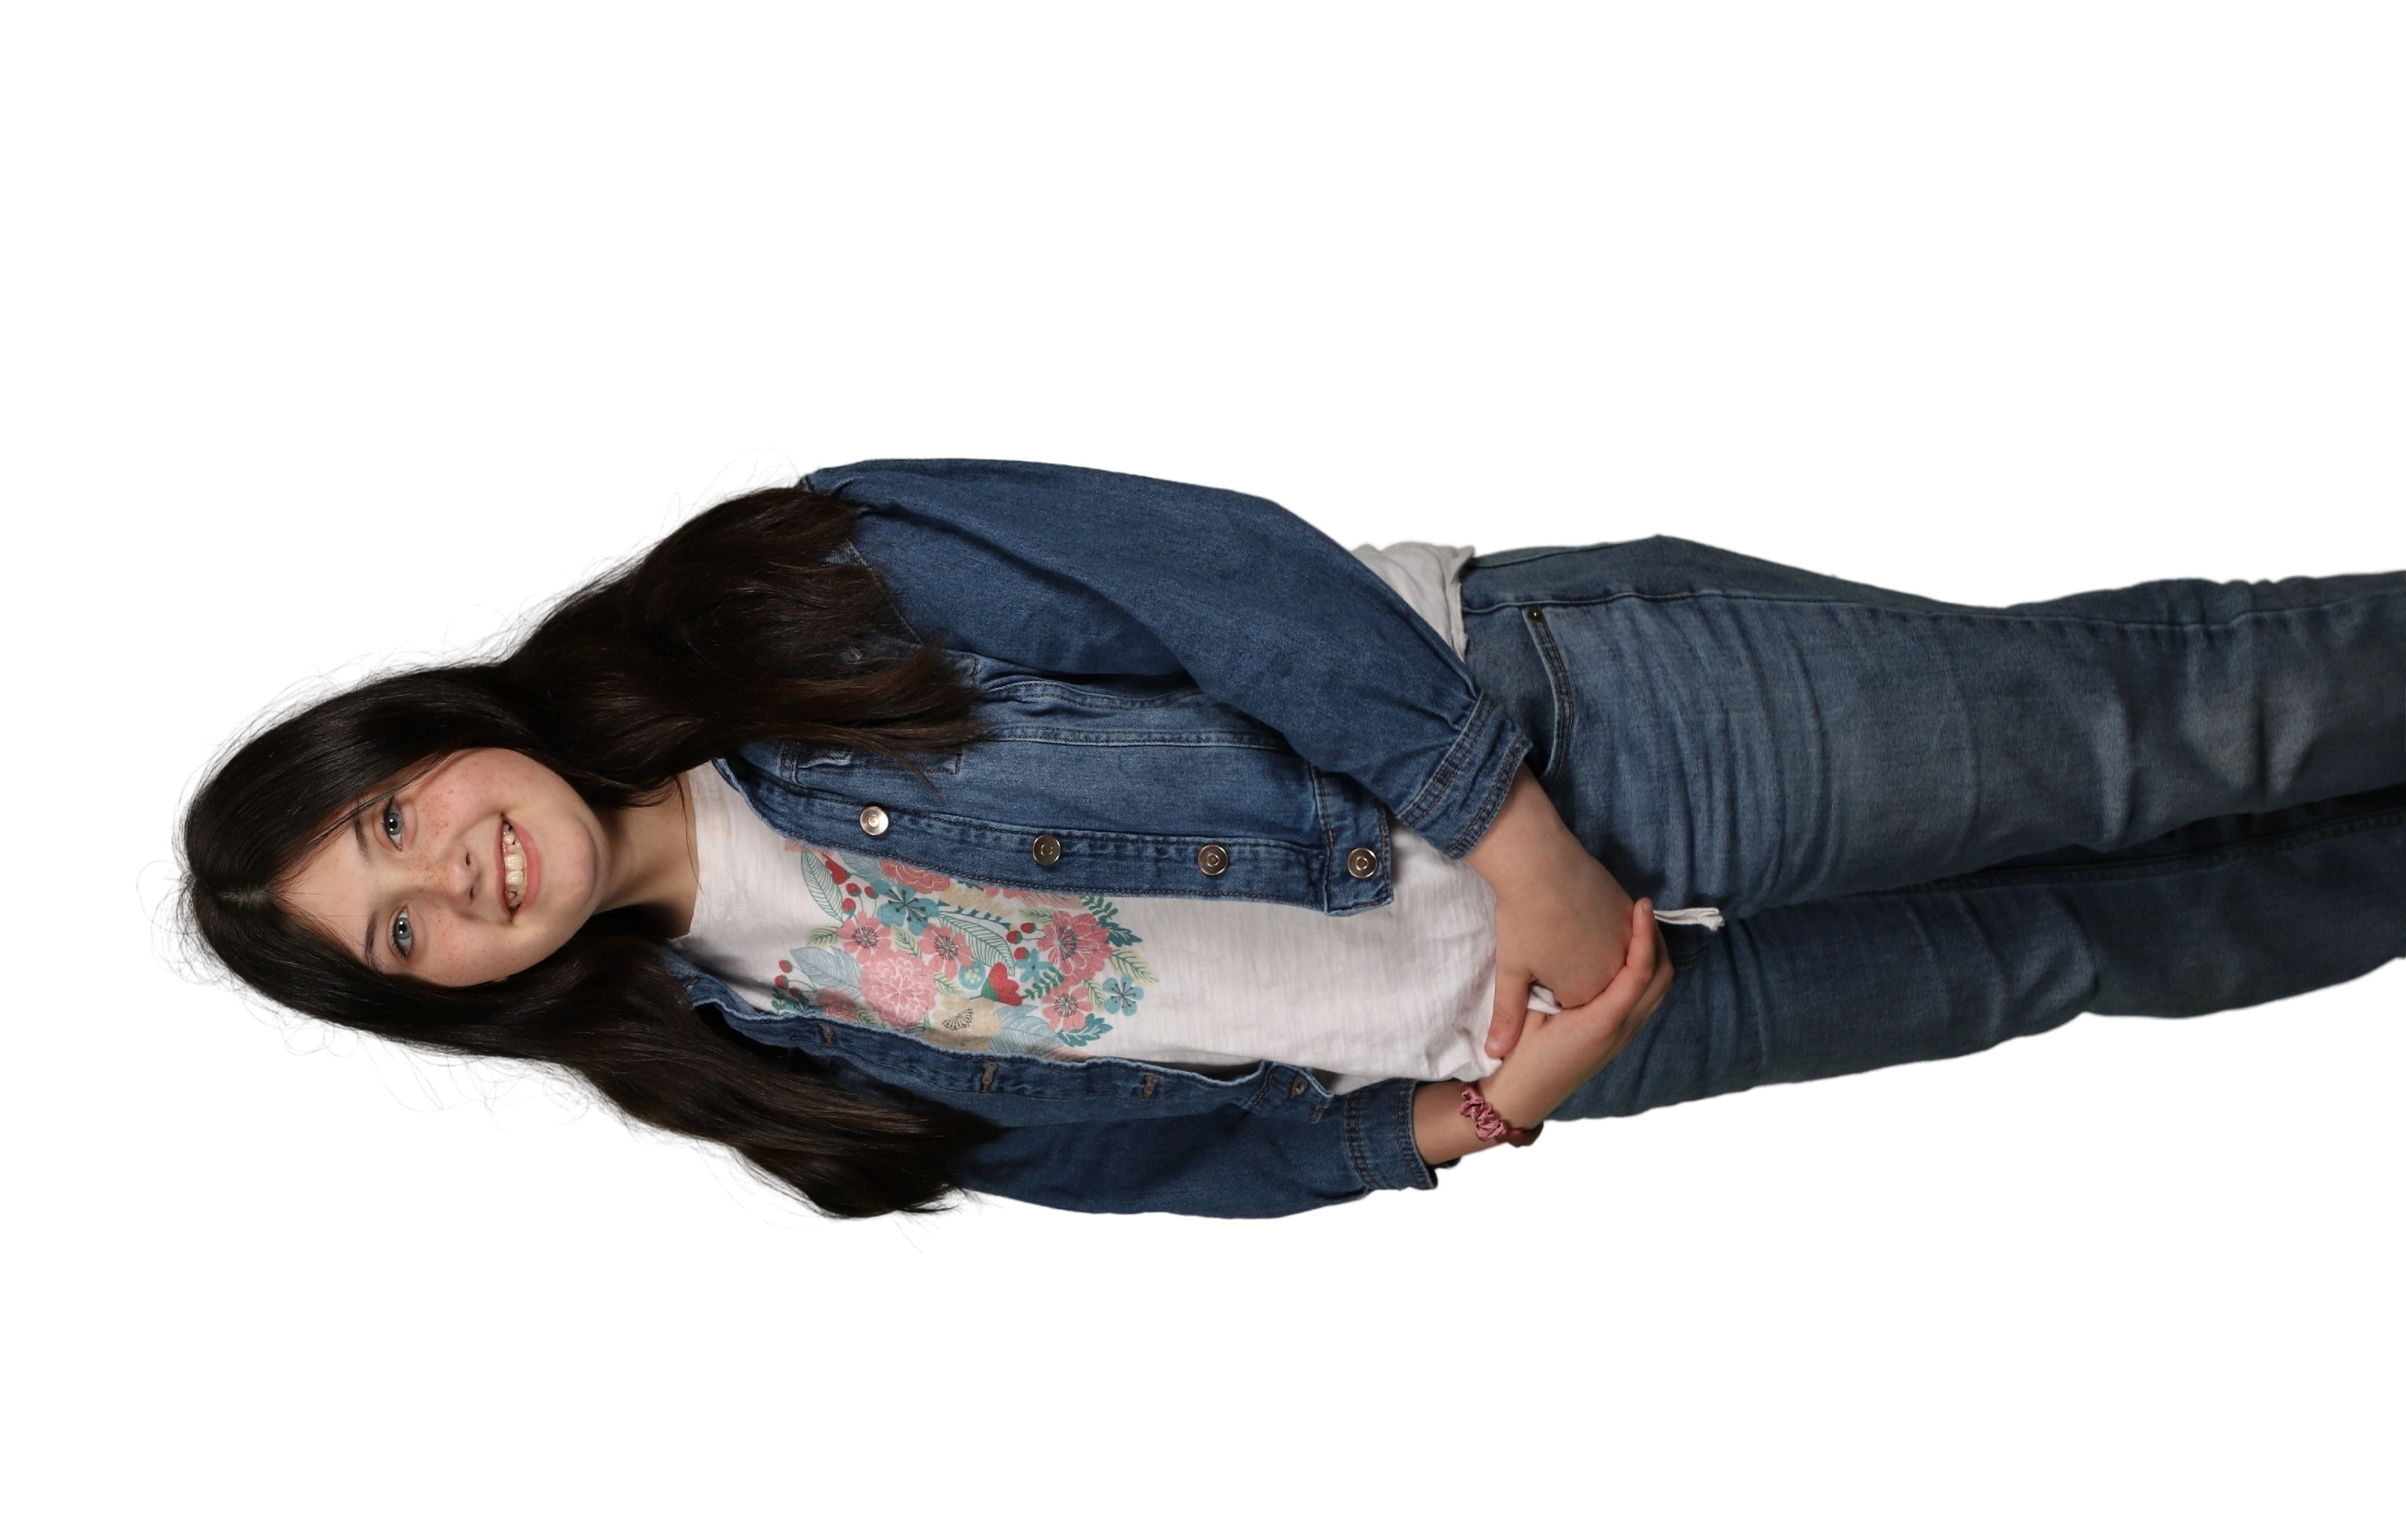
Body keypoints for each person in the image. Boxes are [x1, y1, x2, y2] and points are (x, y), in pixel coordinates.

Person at [134, 448, 2406, 1234]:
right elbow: (1132, 1165)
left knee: (2166, 731)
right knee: (2107, 951)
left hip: (1591, 739)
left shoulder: (777, 599)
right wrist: (1448, 1125)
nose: (454, 876)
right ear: (452, 996)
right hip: (1571, 1026)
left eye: (395, 815)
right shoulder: (753, 1071)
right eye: (402, 931)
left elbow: (1218, 578)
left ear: (428, 724)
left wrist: (1508, 836)